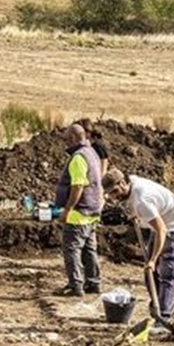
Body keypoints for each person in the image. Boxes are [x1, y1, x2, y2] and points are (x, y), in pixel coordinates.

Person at [101, 169, 174, 327]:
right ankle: (156, 307)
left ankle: (165, 317)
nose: (114, 197)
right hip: (160, 223)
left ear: (123, 183)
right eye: (111, 194)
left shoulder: (143, 200)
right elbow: (137, 203)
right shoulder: (132, 183)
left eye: (115, 192)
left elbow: (162, 230)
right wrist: (136, 214)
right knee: (150, 270)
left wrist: (153, 259)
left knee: (167, 271)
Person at [53, 123, 103, 297]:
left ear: (74, 138)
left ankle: (75, 286)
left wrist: (67, 210)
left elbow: (78, 186)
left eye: (66, 139)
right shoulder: (92, 153)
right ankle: (93, 283)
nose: (65, 143)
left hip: (79, 213)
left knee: (72, 249)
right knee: (89, 250)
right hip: (92, 210)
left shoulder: (78, 158)